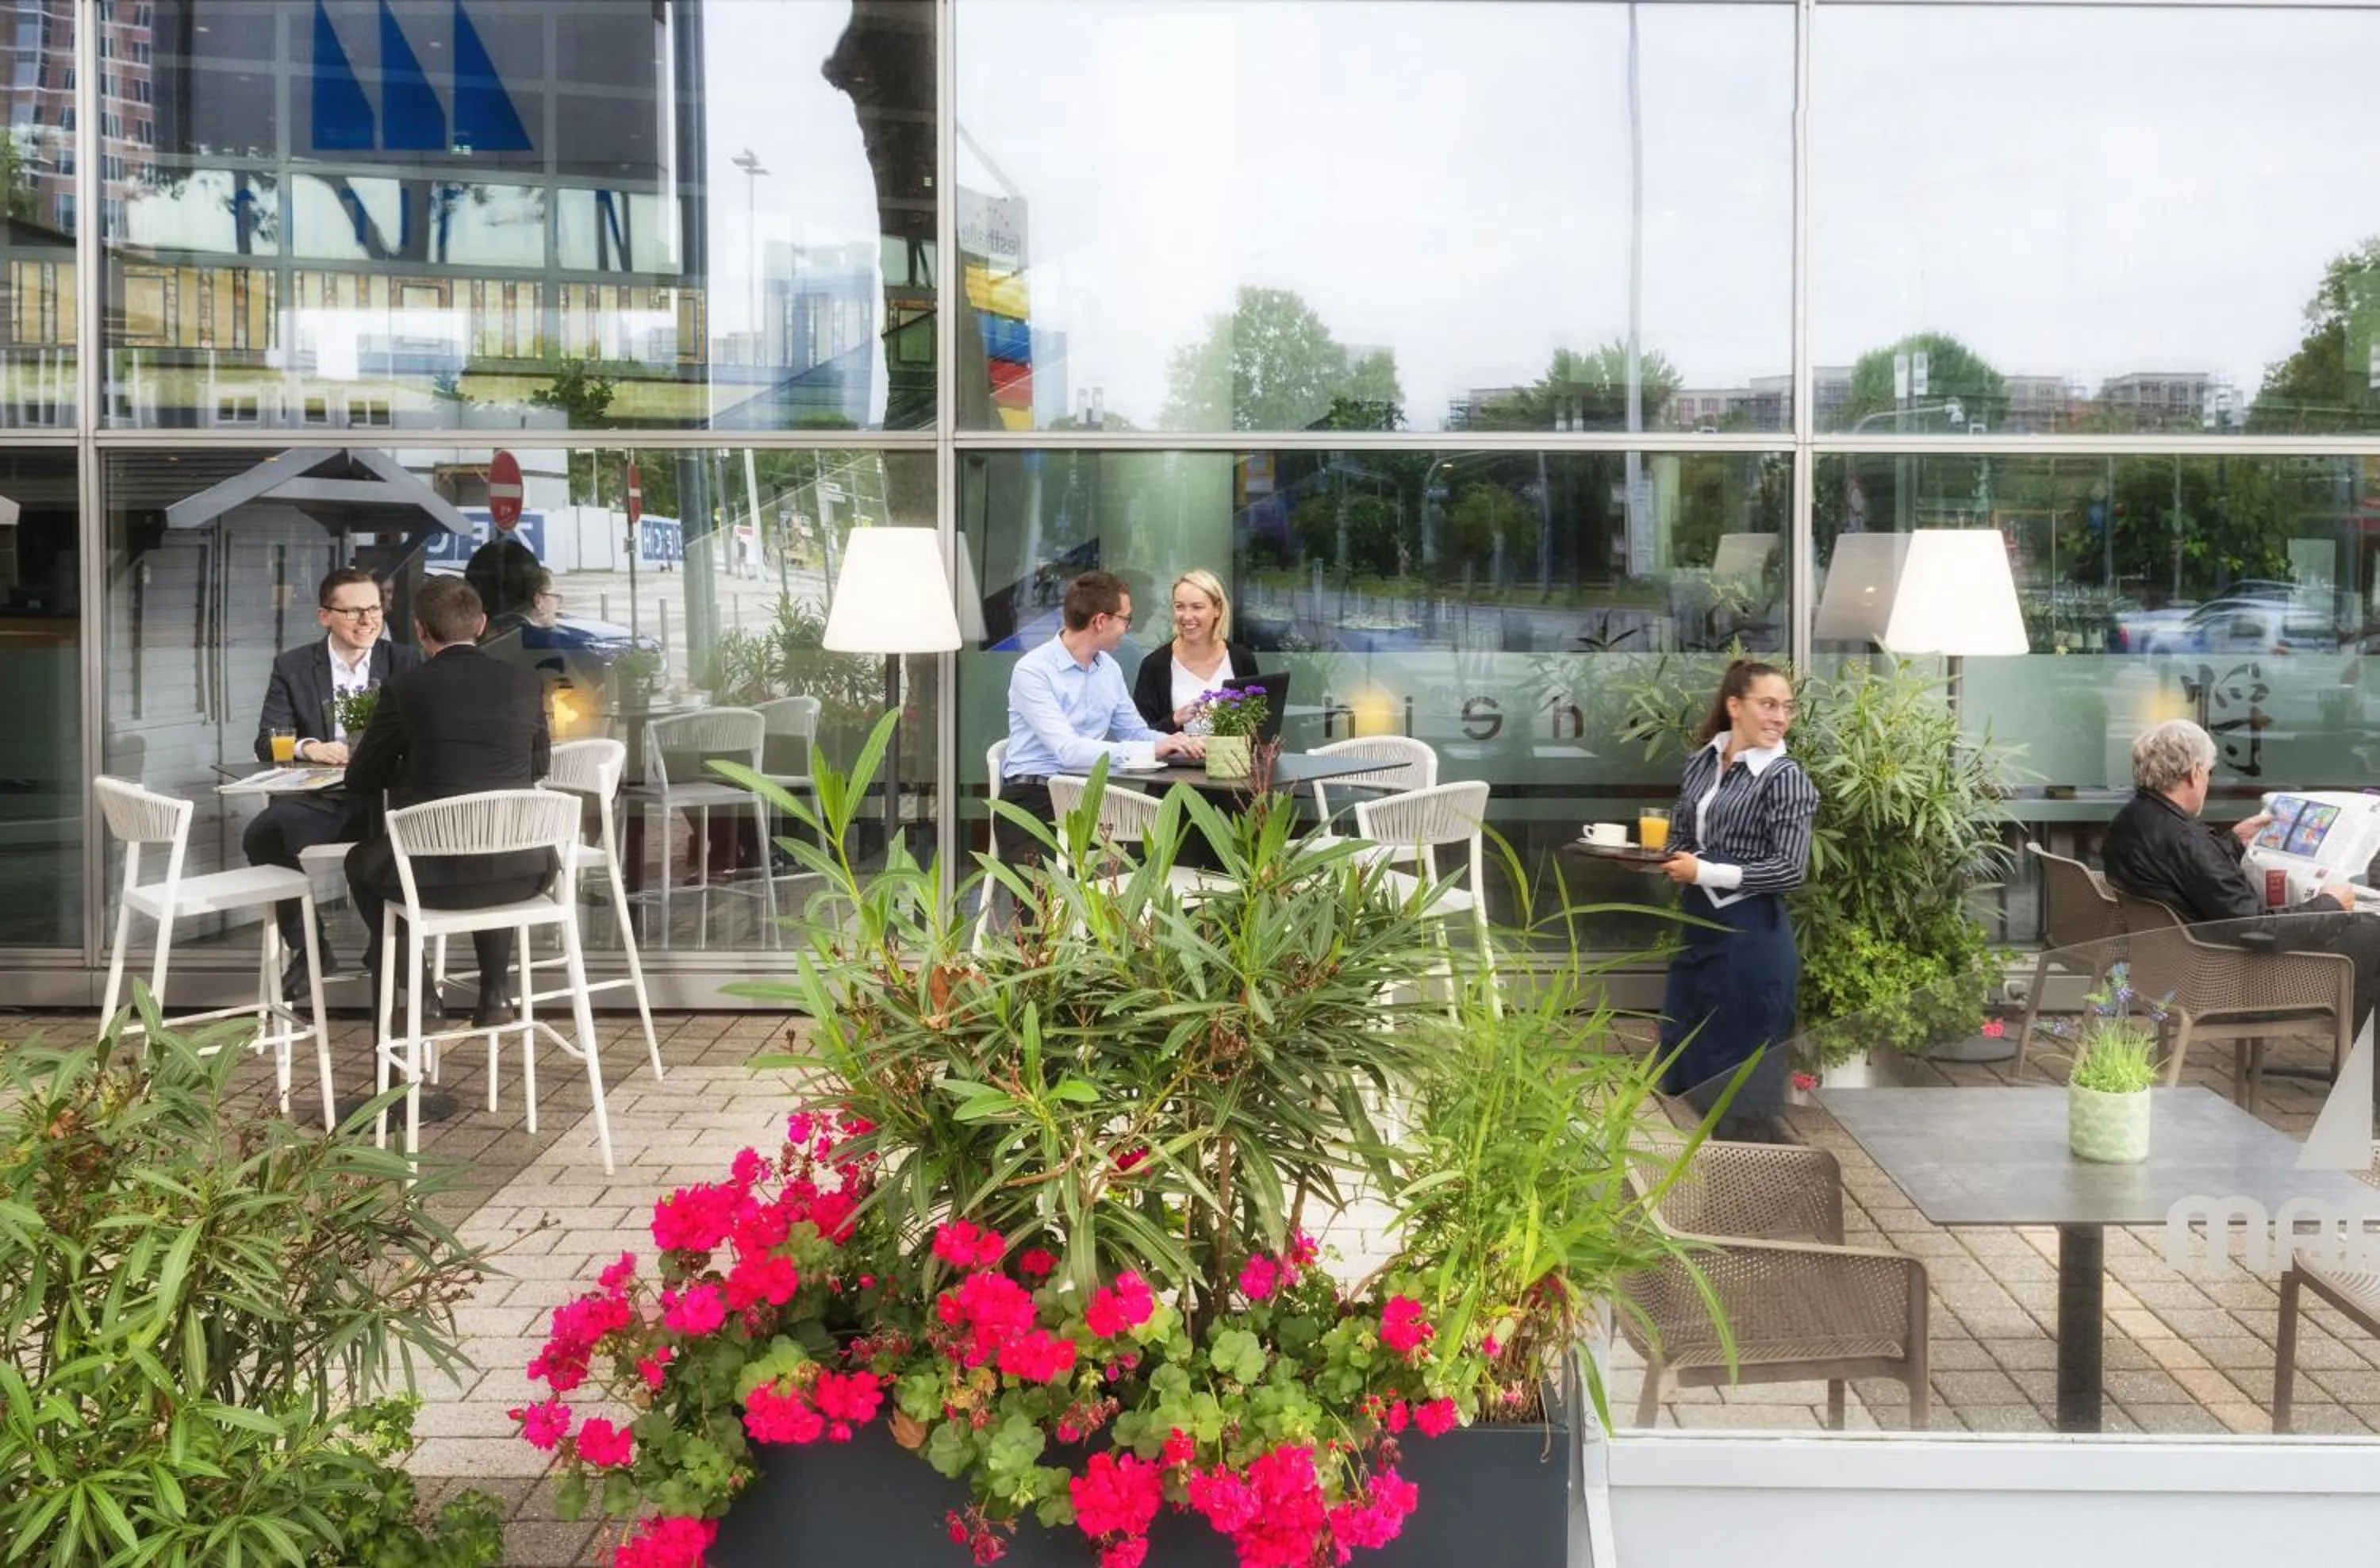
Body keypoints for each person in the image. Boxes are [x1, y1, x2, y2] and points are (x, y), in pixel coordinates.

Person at [344, 576, 553, 1028]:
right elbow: (538, 768)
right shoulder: (525, 683)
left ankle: (421, 996)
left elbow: (363, 777)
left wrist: (415, 769)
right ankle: (495, 995)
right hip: (526, 871)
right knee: (492, 836)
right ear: (481, 624)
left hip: (430, 880)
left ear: (420, 630)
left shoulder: (406, 689)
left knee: (360, 863)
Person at [2101, 717, 2380, 1036]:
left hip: (2175, 967)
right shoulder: (2186, 840)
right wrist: (2331, 904)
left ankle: (2356, 1063)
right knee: (2372, 937)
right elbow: (2257, 930)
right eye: (2208, 772)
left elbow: (2186, 876)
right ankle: (2362, 1069)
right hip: (2227, 979)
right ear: (2194, 773)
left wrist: (2231, 844)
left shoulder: (2130, 820)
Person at [1653, 659, 1820, 1142]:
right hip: (1699, 934)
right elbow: (1682, 836)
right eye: (1768, 704)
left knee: (1740, 1092)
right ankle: (1739, 1194)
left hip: (1751, 942)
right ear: (1734, 706)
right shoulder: (1703, 762)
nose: (1780, 717)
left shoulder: (1784, 777)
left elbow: (1790, 869)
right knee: (1695, 1074)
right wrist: (1654, 858)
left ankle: (1760, 1195)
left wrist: (1702, 870)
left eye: (1787, 708)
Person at [242, 566, 421, 999]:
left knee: (384, 855)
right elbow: (266, 742)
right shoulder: (295, 666)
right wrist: (308, 747)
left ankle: (391, 951)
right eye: (354, 612)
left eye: (374, 609)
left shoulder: (406, 661)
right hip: (328, 798)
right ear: (325, 616)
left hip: (389, 799)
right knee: (264, 835)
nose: (367, 621)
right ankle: (310, 946)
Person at [997, 570, 1202, 867]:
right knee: (1049, 907)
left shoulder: (1108, 668)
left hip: (1087, 798)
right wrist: (1150, 749)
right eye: (1126, 620)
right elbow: (1068, 751)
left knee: (1162, 853)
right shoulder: (1033, 671)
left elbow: (1135, 733)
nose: (1127, 629)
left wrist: (1180, 742)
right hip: (1034, 799)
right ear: (1101, 621)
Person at [1131, 568, 1258, 734]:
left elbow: (1259, 726)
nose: (1187, 616)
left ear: (1217, 609)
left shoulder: (1241, 659)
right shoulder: (1155, 665)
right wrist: (1174, 720)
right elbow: (1140, 736)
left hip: (1232, 760)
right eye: (1180, 607)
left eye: (1197, 607)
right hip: (1176, 760)